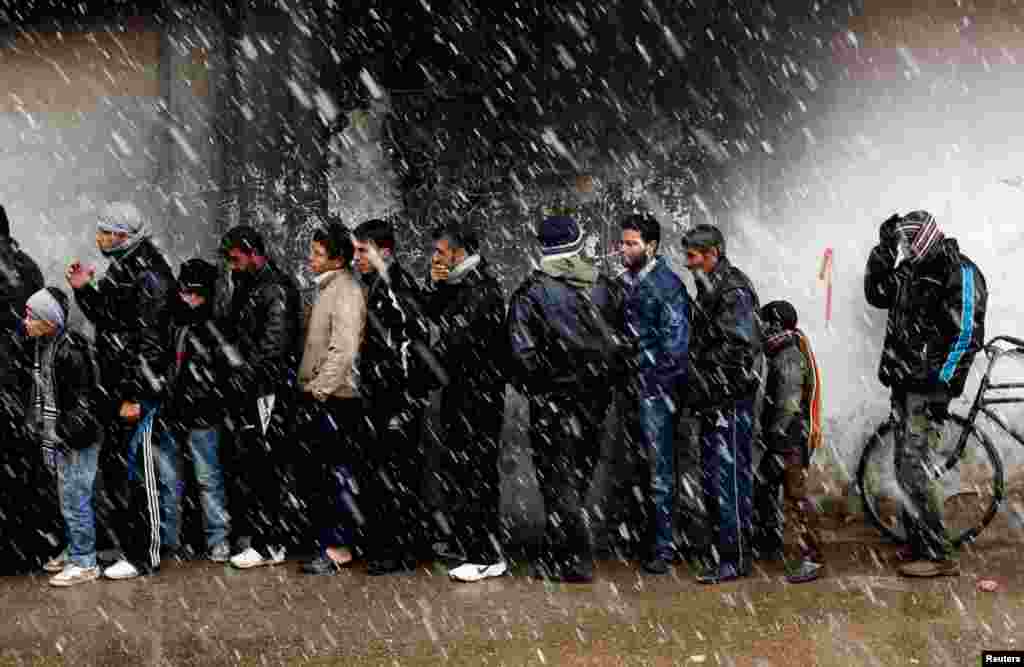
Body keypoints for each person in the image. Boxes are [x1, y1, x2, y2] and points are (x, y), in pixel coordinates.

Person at [865, 210, 987, 577]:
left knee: (913, 466)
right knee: (905, 464)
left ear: (926, 238)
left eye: (906, 241)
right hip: (905, 384)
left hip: (928, 389)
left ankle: (937, 554)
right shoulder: (910, 270)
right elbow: (877, 293)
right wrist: (883, 249)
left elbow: (966, 334)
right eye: (901, 242)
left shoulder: (960, 272)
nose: (904, 247)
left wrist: (940, 384)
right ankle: (918, 542)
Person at [507, 215, 624, 583]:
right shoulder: (604, 286)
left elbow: (521, 353)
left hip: (552, 402)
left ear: (542, 247)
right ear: (578, 242)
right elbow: (622, 343)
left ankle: (573, 556)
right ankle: (563, 551)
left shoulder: (532, 292)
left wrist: (539, 385)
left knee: (557, 479)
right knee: (578, 475)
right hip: (594, 401)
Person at [65, 201, 174, 580]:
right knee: (120, 474)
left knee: (139, 474)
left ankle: (145, 555)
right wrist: (85, 290)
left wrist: (134, 394)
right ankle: (129, 548)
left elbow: (152, 340)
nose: (99, 238)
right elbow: (111, 319)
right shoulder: (126, 267)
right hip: (119, 387)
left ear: (123, 236)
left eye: (105, 231)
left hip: (135, 391)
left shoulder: (150, 274)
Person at [423, 223, 508, 583]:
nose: (435, 257)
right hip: (463, 394)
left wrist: (421, 371)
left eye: (440, 252)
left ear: (459, 253)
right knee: (463, 471)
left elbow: (455, 340)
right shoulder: (461, 284)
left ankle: (485, 554)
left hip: (479, 397)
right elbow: (435, 314)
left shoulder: (481, 290)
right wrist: (436, 284)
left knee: (477, 473)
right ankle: (470, 545)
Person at [351, 218, 432, 575]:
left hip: (394, 401)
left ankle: (398, 551)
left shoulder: (395, 288)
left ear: (384, 252)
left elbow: (413, 346)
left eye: (362, 251)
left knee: (394, 476)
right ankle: (390, 549)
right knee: (383, 475)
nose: (356, 258)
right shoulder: (377, 286)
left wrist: (405, 402)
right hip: (381, 398)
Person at [682, 223, 762, 584]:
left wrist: (710, 386)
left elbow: (738, 348)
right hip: (714, 401)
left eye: (693, 256)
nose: (689, 263)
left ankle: (735, 558)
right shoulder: (711, 285)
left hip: (727, 402)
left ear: (713, 253)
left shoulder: (733, 290)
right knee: (716, 480)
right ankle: (725, 553)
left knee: (728, 481)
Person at [219, 225, 302, 570]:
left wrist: (246, 380)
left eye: (236, 258)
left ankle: (272, 543)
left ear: (253, 252)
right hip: (253, 389)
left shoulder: (275, 289)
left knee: (268, 465)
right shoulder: (248, 285)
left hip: (268, 391)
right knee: (254, 464)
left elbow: (272, 348)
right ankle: (262, 537)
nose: (231, 265)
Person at [614, 213, 689, 575]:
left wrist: (651, 383)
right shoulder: (623, 282)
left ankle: (664, 546)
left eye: (631, 243)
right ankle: (644, 540)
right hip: (633, 391)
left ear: (651, 247)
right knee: (637, 469)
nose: (624, 249)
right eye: (623, 242)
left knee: (660, 472)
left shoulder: (668, 286)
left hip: (655, 394)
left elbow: (675, 350)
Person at [16, 287, 106, 586]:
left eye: (31, 316)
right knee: (67, 496)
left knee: (76, 498)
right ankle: (76, 550)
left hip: (77, 438)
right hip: (65, 436)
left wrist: (62, 432)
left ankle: (85, 561)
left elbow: (83, 402)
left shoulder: (70, 349)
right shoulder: (45, 345)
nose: (25, 321)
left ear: (49, 320)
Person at [295, 220, 365, 575]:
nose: (311, 258)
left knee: (338, 476)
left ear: (337, 259)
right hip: (326, 396)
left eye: (318, 253)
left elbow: (344, 349)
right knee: (326, 476)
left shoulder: (346, 291)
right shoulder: (329, 288)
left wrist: (318, 390)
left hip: (337, 398)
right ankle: (330, 542)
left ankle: (339, 547)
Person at [157, 259, 232, 563]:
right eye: (186, 293)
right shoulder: (174, 322)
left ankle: (216, 539)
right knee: (174, 481)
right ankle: (172, 540)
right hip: (178, 410)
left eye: (196, 294)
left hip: (200, 412)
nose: (190, 300)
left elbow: (221, 371)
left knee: (206, 479)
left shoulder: (211, 325)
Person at [752, 300, 825, 584]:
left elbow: (789, 405)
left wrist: (776, 441)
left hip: (789, 439)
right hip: (782, 438)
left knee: (796, 496)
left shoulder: (788, 355)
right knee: (767, 488)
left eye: (763, 322)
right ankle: (769, 541)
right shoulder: (778, 350)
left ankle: (814, 557)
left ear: (774, 325)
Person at [0, 205, 46, 572]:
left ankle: (13, 549)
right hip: (21, 380)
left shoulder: (14, 269)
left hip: (9, 379)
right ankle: (26, 546)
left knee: (12, 464)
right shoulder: (26, 265)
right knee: (21, 465)